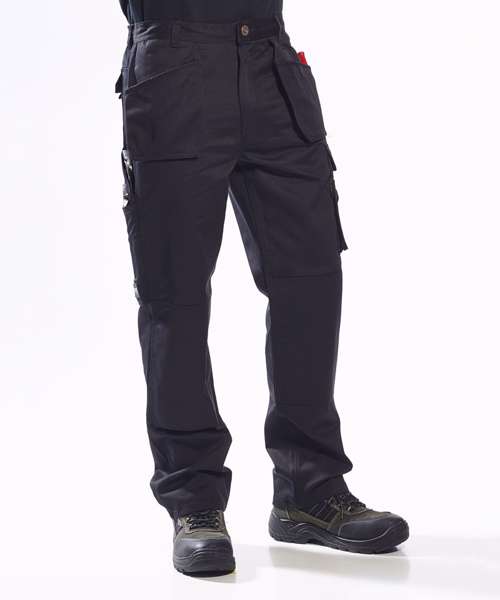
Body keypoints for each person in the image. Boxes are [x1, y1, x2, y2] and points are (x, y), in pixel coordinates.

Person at [116, 0, 409, 576]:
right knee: (174, 293)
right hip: (173, 66)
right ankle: (194, 501)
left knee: (311, 277)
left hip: (272, 65)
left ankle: (308, 490)